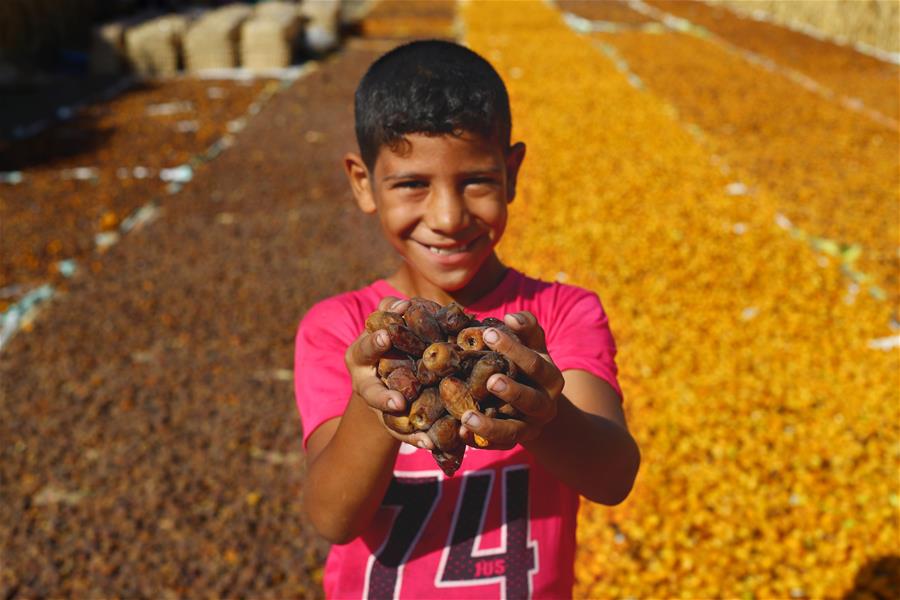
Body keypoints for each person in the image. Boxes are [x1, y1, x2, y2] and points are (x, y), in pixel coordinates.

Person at [294, 40, 640, 599]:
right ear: (363, 182)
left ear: (512, 172)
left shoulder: (559, 314)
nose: (449, 217)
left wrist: (545, 414)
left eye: (476, 180)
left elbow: (612, 475)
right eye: (412, 184)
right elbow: (333, 517)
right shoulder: (339, 328)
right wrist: (373, 397)